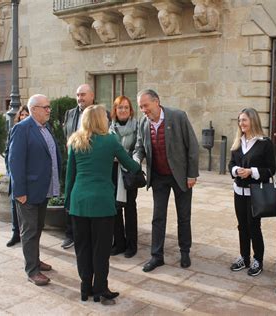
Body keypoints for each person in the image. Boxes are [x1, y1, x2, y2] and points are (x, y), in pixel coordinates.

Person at [64, 105, 140, 304]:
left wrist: (67, 201)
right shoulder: (110, 141)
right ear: (101, 120)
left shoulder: (74, 142)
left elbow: (70, 175)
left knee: (82, 248)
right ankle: (100, 289)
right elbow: (131, 166)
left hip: (79, 202)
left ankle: (85, 288)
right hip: (102, 203)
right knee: (101, 249)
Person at [133, 88, 199, 272]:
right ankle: (157, 256)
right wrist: (136, 159)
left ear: (157, 101)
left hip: (181, 176)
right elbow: (140, 146)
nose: (144, 110)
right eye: (141, 107)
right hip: (159, 177)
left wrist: (192, 174)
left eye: (146, 105)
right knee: (158, 217)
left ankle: (185, 252)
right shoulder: (143, 123)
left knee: (184, 217)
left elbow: (192, 146)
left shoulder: (178, 116)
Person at [9, 94, 61, 286]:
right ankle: (32, 271)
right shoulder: (22, 129)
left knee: (38, 229)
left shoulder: (45, 128)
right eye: (45, 107)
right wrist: (20, 192)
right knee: (29, 231)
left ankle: (35, 260)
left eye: (49, 106)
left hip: (43, 190)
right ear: (33, 109)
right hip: (28, 193)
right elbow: (15, 162)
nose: (49, 110)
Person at [228, 108, 275, 276]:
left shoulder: (265, 143)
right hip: (238, 191)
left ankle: (258, 260)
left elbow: (271, 170)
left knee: (254, 226)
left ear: (253, 121)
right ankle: (244, 257)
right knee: (242, 226)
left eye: (244, 120)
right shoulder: (238, 142)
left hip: (255, 193)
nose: (241, 124)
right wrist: (236, 170)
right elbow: (231, 164)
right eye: (240, 120)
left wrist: (251, 172)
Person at [61, 83, 95, 249]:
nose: (80, 98)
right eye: (78, 95)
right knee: (70, 195)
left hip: (90, 166)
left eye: (83, 94)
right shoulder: (70, 113)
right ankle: (70, 234)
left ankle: (89, 233)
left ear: (92, 96)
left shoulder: (101, 114)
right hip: (73, 162)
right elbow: (65, 134)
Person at [109, 96, 139, 258]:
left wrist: (126, 159)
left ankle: (131, 245)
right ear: (115, 110)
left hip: (129, 172)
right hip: (113, 172)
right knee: (115, 208)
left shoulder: (137, 126)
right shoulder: (109, 127)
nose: (123, 110)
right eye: (120, 107)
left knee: (130, 209)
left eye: (126, 107)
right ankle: (118, 243)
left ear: (130, 110)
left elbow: (139, 147)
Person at [5, 105, 29, 247]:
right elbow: (8, 152)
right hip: (15, 176)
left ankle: (26, 234)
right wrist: (9, 171)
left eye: (27, 115)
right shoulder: (14, 130)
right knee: (14, 205)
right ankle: (15, 233)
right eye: (22, 115)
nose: (24, 117)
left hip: (28, 177)